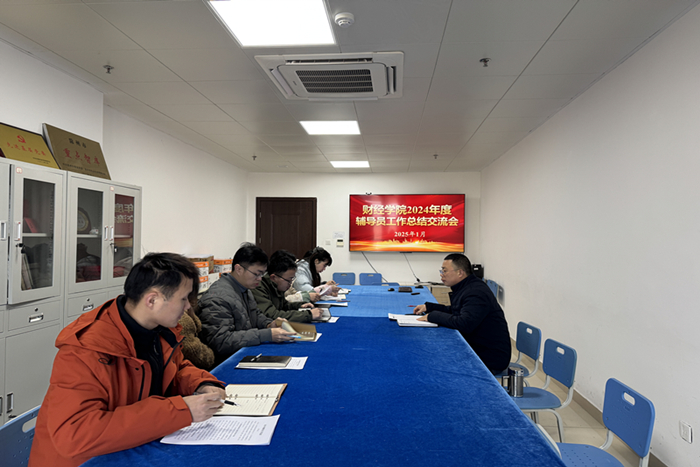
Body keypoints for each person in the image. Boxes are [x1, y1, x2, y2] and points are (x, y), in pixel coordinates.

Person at [29, 253, 227, 467]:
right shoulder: (85, 350)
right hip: (87, 461)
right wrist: (180, 411)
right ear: (152, 300)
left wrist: (201, 383)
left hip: (130, 447)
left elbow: (175, 369)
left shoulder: (159, 331)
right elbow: (75, 434)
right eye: (183, 299)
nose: (188, 307)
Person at [198, 243, 296, 364]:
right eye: (256, 274)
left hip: (244, 353)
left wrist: (269, 324)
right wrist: (266, 334)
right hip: (227, 362)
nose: (260, 279)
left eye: (262, 274)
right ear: (239, 269)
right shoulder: (218, 298)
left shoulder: (244, 288)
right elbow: (221, 341)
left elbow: (255, 315)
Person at [414, 253, 511, 374]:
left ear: (460, 273)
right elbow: (457, 311)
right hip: (477, 346)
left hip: (489, 357)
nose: (441, 274)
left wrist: (432, 316)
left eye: (444, 271)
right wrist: (429, 307)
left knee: (432, 360)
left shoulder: (476, 292)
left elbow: (464, 323)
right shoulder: (466, 287)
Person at [252, 250, 324, 322]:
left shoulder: (277, 285)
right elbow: (272, 315)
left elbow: (284, 306)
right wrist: (308, 315)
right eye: (289, 280)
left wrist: (300, 305)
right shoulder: (259, 288)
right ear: (273, 277)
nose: (290, 283)